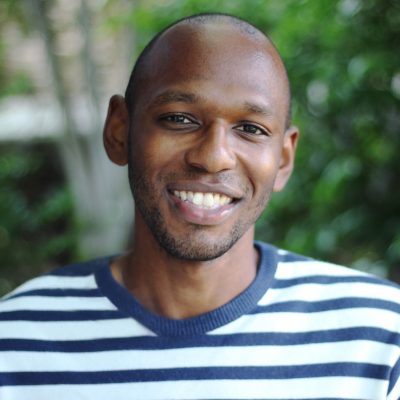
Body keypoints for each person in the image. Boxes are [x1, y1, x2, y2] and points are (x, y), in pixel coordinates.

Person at [1, 12, 399, 400]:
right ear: (119, 131)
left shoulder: (381, 341)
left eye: (250, 129)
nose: (213, 156)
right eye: (179, 118)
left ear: (283, 159)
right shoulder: (15, 343)